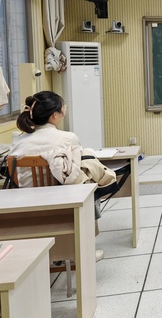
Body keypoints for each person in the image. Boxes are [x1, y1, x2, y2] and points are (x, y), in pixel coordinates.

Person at [10, 91, 112, 261]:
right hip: (62, 205)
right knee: (88, 188)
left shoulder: (18, 142)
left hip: (24, 206)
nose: (65, 110)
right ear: (54, 115)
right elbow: (76, 171)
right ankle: (84, 251)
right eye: (63, 107)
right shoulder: (67, 138)